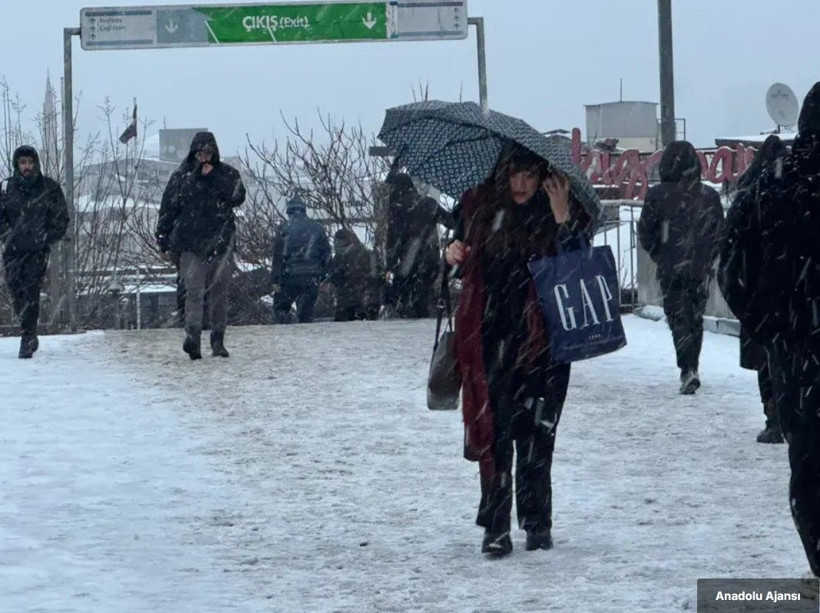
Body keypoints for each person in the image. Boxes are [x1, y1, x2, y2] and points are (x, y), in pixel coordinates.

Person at [445, 146, 592, 557]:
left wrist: (562, 215)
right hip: (491, 341)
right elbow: (460, 264)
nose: (522, 185)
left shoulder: (562, 210)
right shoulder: (478, 209)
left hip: (547, 345)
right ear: (502, 176)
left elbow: (579, 268)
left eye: (530, 176)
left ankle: (536, 521)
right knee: (496, 435)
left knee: (538, 435)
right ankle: (496, 527)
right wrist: (451, 254)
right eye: (515, 176)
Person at [721, 83, 820, 594]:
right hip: (797, 335)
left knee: (808, 461)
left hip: (797, 349)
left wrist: (766, 320)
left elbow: (733, 265)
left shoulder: (771, 181)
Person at [637, 141, 724, 394]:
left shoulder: (657, 195)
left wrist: (660, 254)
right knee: (695, 317)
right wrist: (707, 257)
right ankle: (692, 365)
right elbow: (720, 232)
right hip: (699, 267)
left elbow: (645, 231)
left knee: (677, 317)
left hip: (671, 267)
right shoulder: (709, 195)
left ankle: (686, 367)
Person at [718, 134, 787, 444]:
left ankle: (773, 416)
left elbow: (730, 258)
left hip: (760, 295)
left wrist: (746, 305)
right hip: (793, 296)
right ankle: (790, 413)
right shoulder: (796, 191)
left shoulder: (750, 194)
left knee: (767, 360)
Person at [156, 131, 245, 359]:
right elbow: (169, 207)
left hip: (220, 242)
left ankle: (218, 340)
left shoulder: (227, 174)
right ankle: (193, 337)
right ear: (194, 153)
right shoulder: (182, 177)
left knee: (219, 294)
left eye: (208, 152)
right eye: (200, 152)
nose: (204, 156)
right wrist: (163, 237)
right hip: (191, 244)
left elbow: (237, 197)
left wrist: (213, 177)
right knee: (193, 293)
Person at [0, 145, 68, 358]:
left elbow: (61, 218)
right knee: (16, 291)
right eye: (22, 163)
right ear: (17, 165)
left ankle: (27, 337)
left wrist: (44, 238)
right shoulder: (5, 188)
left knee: (30, 290)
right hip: (12, 250)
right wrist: (6, 235)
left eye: (29, 162)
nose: (26, 167)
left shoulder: (49, 188)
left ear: (36, 164)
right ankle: (28, 330)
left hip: (36, 252)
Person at [384, 172, 453, 319]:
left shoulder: (397, 206)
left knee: (409, 301)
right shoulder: (428, 203)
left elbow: (392, 239)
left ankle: (414, 325)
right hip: (430, 259)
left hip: (408, 262)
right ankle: (423, 321)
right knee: (423, 296)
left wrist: (389, 265)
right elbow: (451, 222)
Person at [271, 195, 331, 324]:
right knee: (306, 313)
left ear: (289, 212)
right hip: (311, 277)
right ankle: (306, 339)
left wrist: (275, 280)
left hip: (289, 276)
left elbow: (277, 257)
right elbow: (326, 254)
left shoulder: (283, 228)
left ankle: (285, 336)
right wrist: (325, 276)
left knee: (281, 309)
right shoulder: (317, 228)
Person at [329, 228, 379, 321]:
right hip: (361, 300)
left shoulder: (345, 256)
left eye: (339, 242)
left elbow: (337, 278)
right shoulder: (363, 252)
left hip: (352, 300)